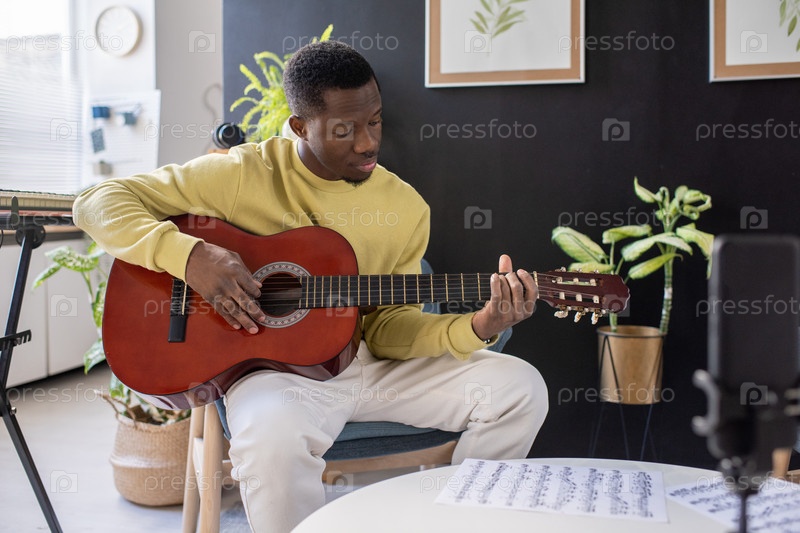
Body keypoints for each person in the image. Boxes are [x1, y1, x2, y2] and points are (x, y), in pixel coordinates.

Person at [73, 41, 548, 532]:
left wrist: (478, 326)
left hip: (375, 367)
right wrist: (190, 257)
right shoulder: (242, 174)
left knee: (520, 388)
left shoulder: (405, 207)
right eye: (344, 129)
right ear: (300, 126)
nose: (367, 143)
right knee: (270, 436)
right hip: (277, 375)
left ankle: (458, 523)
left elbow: (389, 330)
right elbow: (96, 200)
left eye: (375, 121)